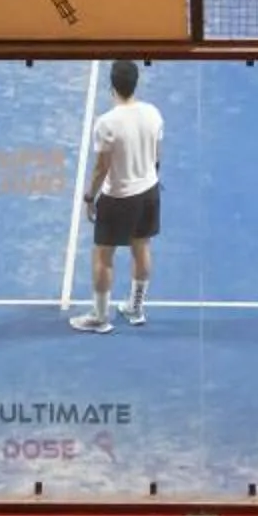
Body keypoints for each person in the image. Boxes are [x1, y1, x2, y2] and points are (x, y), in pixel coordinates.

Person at [70, 58, 163, 334]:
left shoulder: (107, 123)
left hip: (118, 198)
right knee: (141, 248)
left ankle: (100, 317)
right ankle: (135, 307)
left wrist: (89, 197)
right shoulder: (153, 113)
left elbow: (101, 167)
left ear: (112, 86)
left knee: (102, 256)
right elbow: (158, 156)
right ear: (136, 83)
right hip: (149, 191)